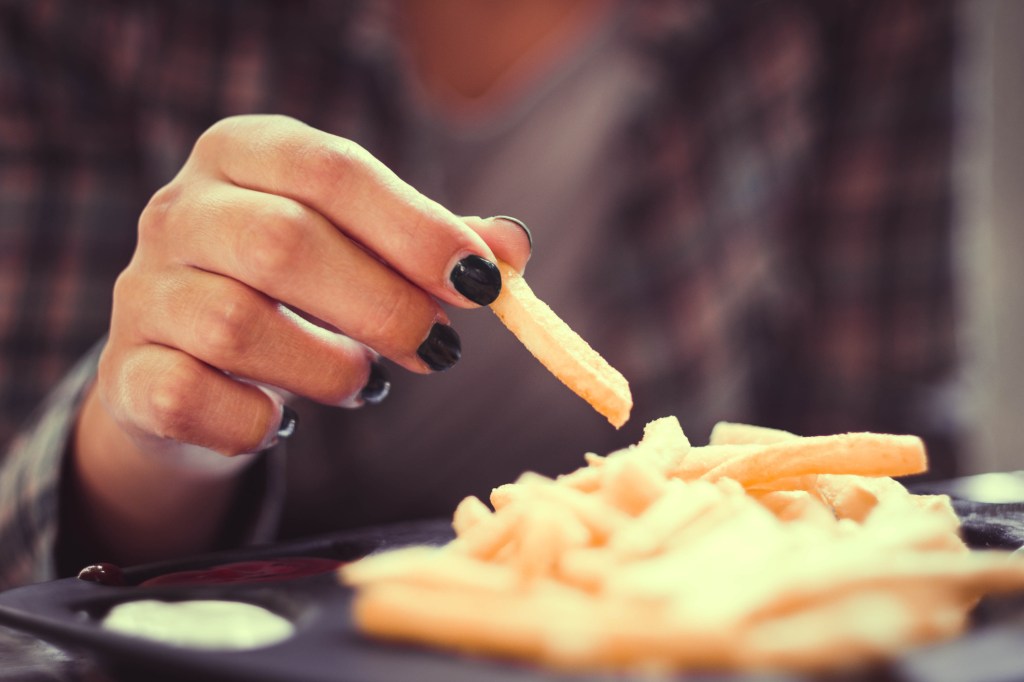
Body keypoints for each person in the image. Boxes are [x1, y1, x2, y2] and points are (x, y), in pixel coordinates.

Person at [0, 0, 959, 589]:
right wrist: (160, 438)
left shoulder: (852, 15)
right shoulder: (98, 17)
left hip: (696, 619)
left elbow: (879, 440)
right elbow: (25, 571)